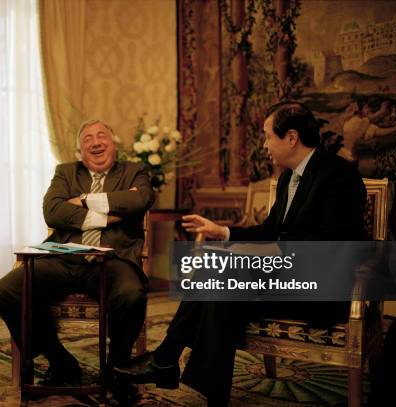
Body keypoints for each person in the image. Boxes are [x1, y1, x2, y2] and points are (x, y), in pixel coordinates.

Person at [114, 101, 367, 405]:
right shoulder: (288, 178)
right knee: (220, 281)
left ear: (291, 137)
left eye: (267, 136)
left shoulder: (339, 175)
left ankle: (168, 360)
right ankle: (188, 377)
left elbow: (326, 247)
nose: (264, 145)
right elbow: (270, 231)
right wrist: (223, 232)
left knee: (223, 274)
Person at [0, 119, 154, 403]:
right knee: (5, 291)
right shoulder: (65, 172)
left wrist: (83, 200)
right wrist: (110, 210)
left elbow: (140, 200)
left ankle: (116, 368)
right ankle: (59, 359)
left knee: (131, 294)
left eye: (102, 135)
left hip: (112, 258)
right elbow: (52, 211)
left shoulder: (134, 171)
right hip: (63, 257)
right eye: (88, 138)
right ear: (80, 150)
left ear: (114, 144)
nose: (96, 142)